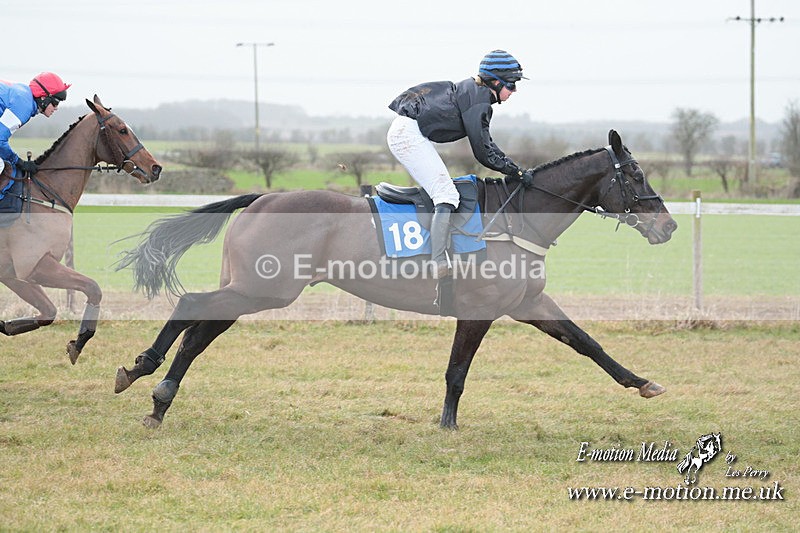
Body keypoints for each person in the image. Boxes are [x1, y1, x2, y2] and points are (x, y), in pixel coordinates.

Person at [387, 50, 533, 279]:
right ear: (495, 82)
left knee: (445, 191)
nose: (514, 91)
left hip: (411, 131)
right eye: (512, 84)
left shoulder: (476, 95)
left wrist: (515, 169)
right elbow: (483, 153)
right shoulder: (478, 102)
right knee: (446, 194)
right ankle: (438, 262)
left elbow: (487, 144)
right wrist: (515, 172)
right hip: (408, 135)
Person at [0, 72, 70, 179]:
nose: (56, 108)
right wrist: (19, 162)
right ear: (43, 98)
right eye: (55, 102)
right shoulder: (24, 106)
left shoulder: (24, 95)